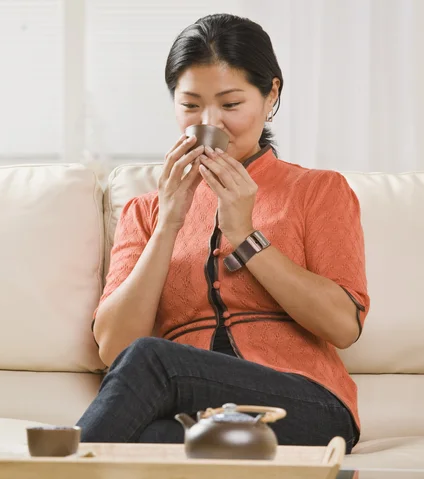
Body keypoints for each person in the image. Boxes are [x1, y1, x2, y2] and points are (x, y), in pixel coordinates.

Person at [76, 13, 369, 453]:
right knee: (150, 441)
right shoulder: (145, 211)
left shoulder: (317, 191)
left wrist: (245, 234)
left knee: (151, 359)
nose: (209, 122)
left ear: (271, 94)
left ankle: (47, 466)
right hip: (193, 414)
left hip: (301, 404)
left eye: (230, 105)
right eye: (191, 105)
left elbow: (343, 327)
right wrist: (170, 223)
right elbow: (115, 348)